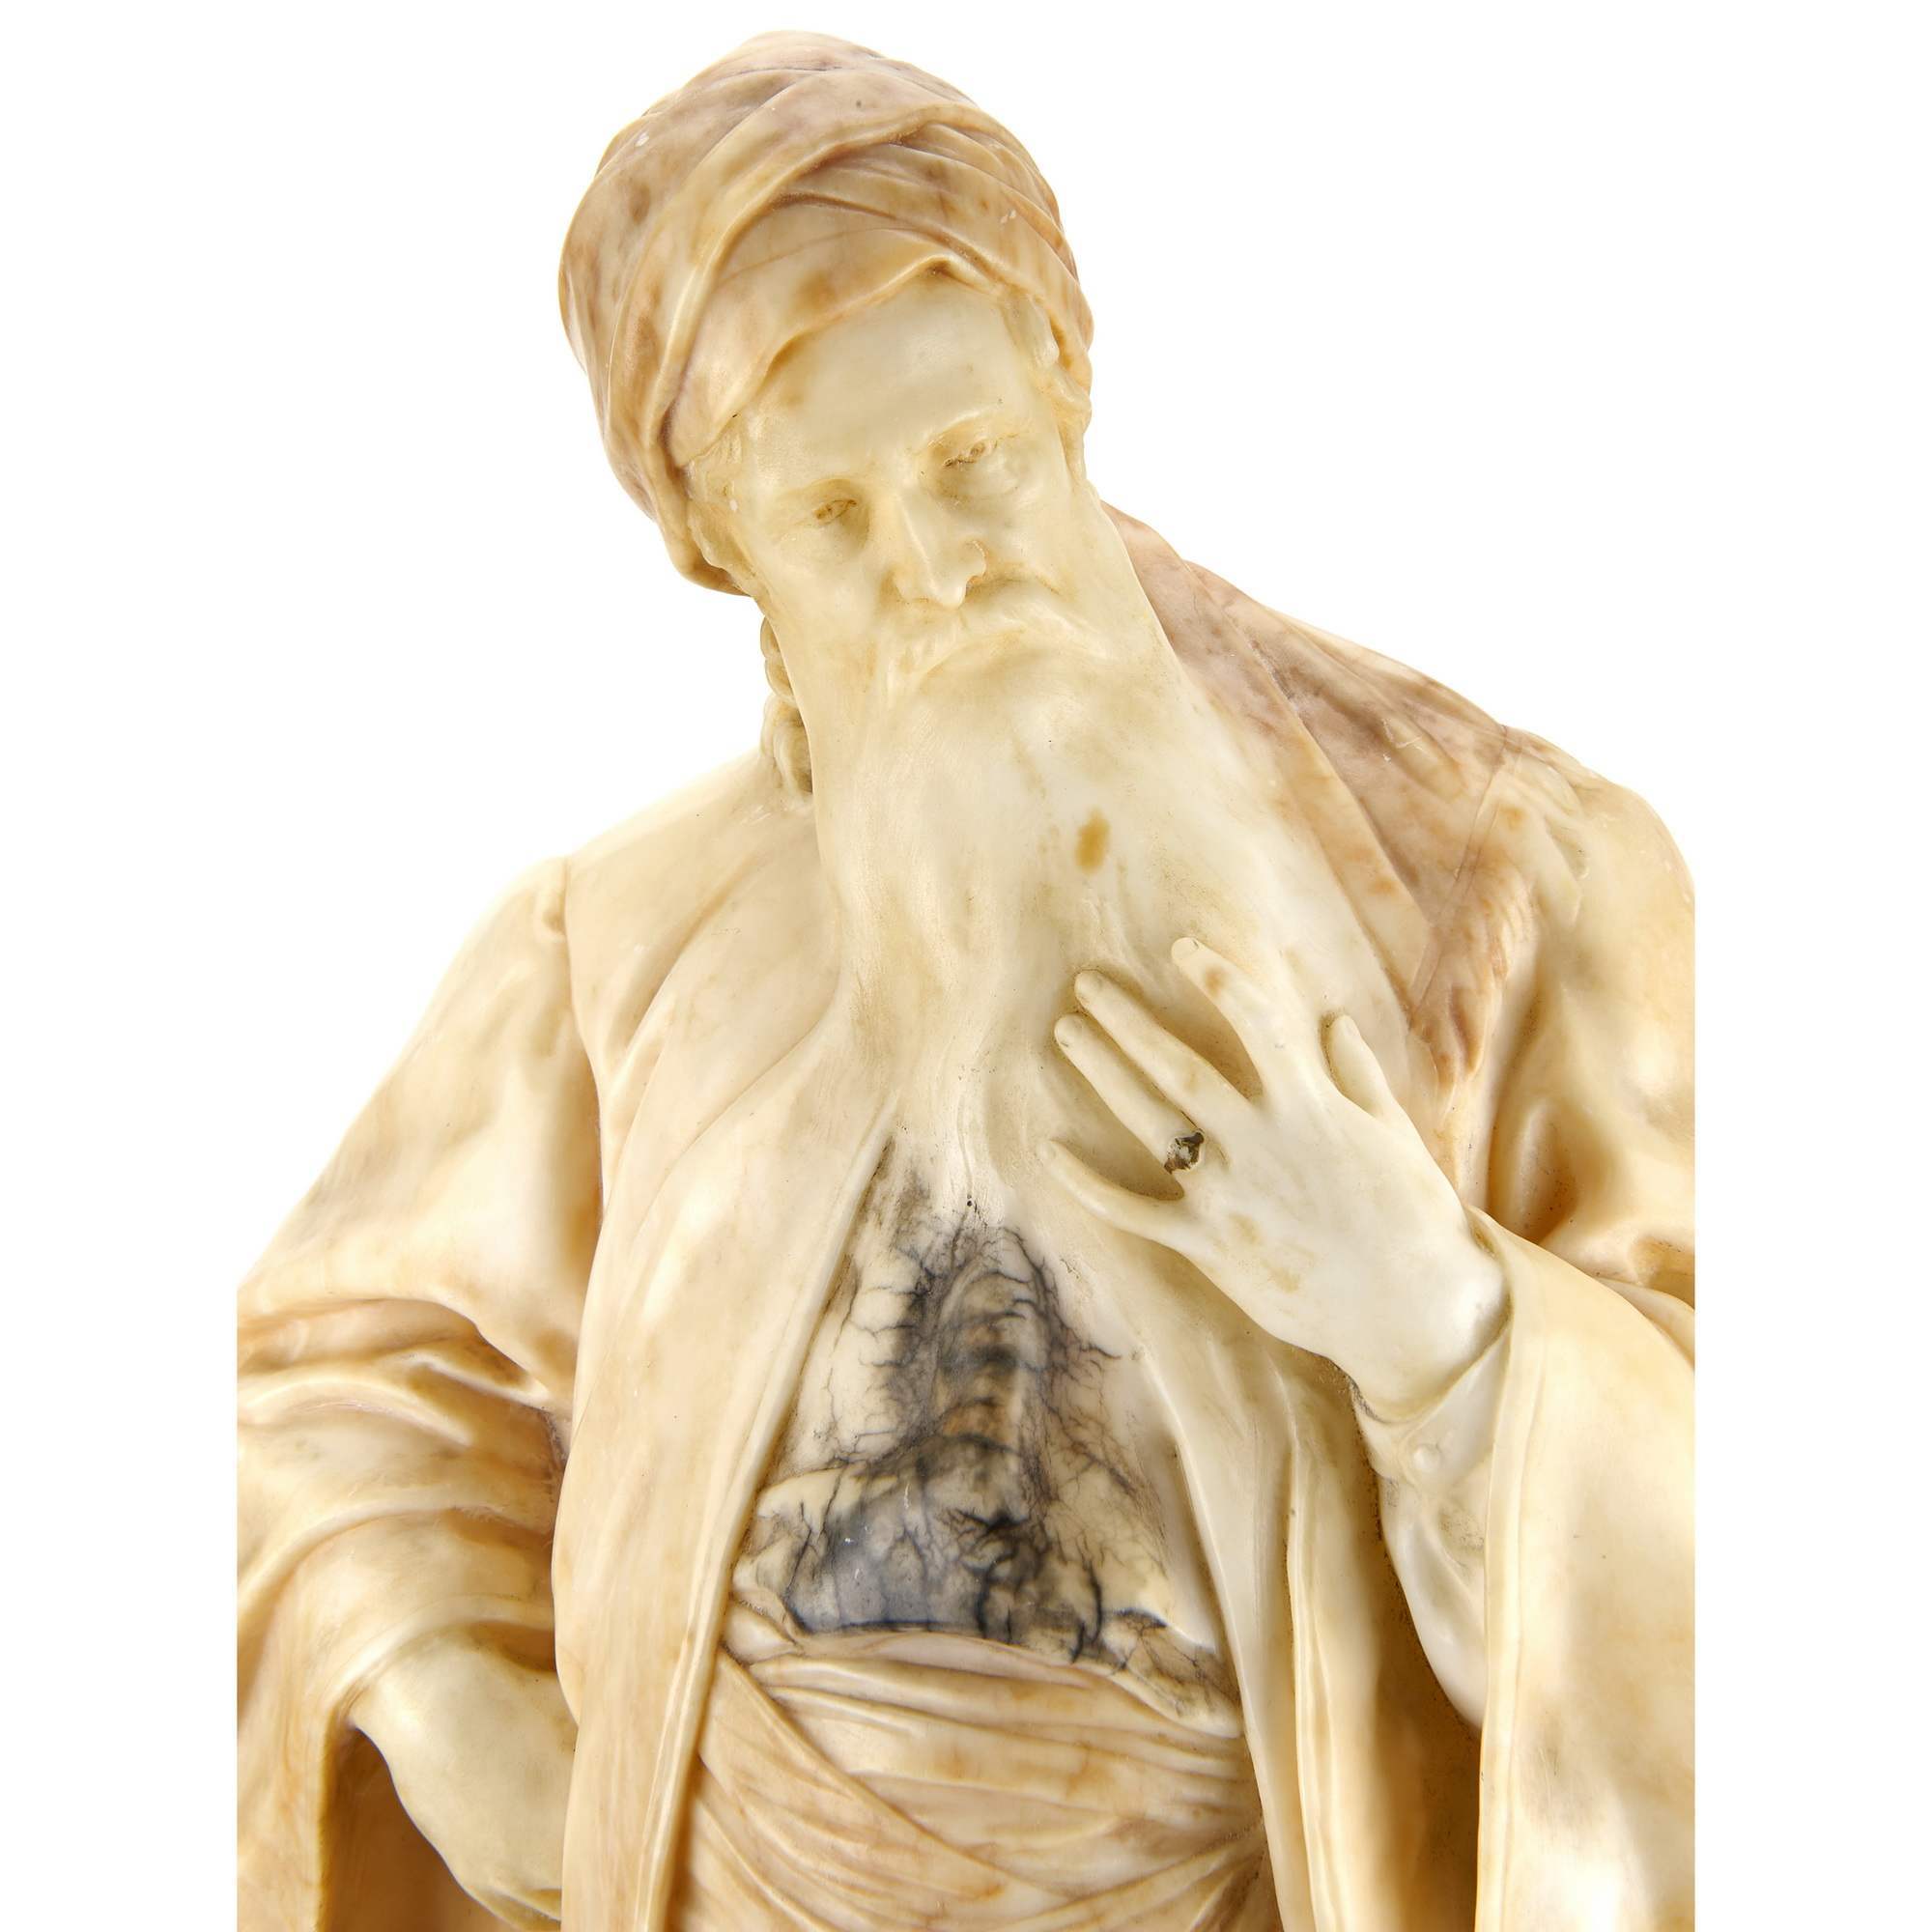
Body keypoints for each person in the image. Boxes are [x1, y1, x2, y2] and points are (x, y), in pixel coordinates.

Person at [239, 33, 1693, 1932]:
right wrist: (441, 1696)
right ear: (725, 554)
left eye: (971, 464)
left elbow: (1777, 1597)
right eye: (832, 519)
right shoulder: (617, 944)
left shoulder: (1501, 898)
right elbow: (338, 1380)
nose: (929, 564)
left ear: (1065, 386)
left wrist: (1436, 1321)